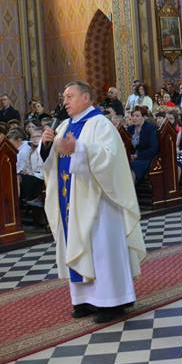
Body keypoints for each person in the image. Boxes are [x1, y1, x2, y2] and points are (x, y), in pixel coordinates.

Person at [39, 81, 146, 323]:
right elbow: (51, 161)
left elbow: (110, 159)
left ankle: (113, 301)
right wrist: (46, 146)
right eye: (64, 97)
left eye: (70, 96)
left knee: (101, 249)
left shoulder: (101, 124)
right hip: (70, 199)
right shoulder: (64, 126)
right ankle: (85, 299)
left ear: (86, 98)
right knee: (78, 244)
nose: (65, 101)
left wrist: (79, 148)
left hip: (99, 202)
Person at [127, 106, 159, 183]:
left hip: (146, 158)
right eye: (133, 116)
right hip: (132, 157)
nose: (134, 118)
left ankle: (130, 188)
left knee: (133, 166)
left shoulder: (150, 128)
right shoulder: (130, 128)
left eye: (137, 116)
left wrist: (137, 155)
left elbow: (154, 149)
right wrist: (129, 155)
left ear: (144, 117)